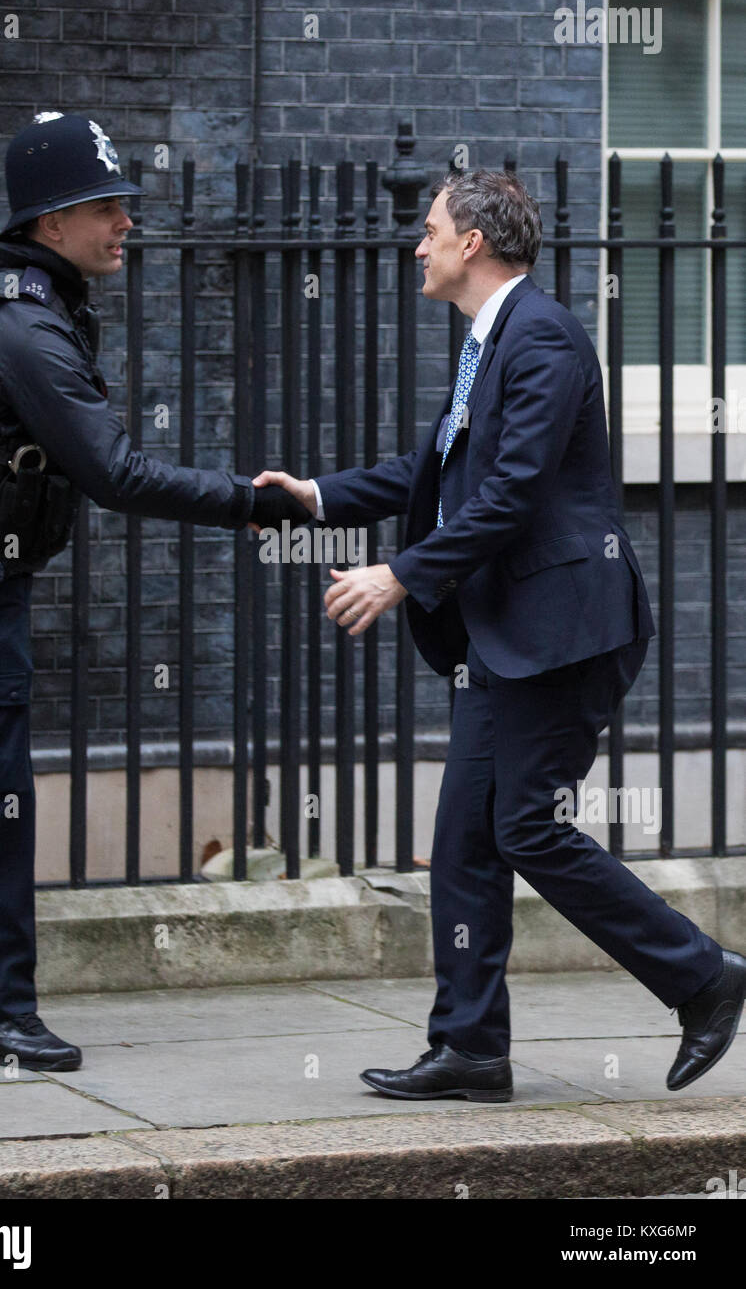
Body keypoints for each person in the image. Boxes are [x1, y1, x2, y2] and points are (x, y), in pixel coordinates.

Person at [253, 167, 746, 1101]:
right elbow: (432, 470)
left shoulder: (544, 336)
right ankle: (471, 1047)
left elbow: (511, 493)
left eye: (431, 229)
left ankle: (704, 976)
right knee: (469, 841)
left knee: (523, 827)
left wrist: (401, 574)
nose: (419, 244)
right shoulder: (493, 341)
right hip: (506, 636)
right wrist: (314, 497)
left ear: (473, 242)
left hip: (563, 634)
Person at [0, 111, 307, 1072]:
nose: (124, 223)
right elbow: (112, 470)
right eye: (104, 207)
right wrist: (244, 501)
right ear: (48, 222)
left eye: (122, 204)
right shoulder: (24, 328)